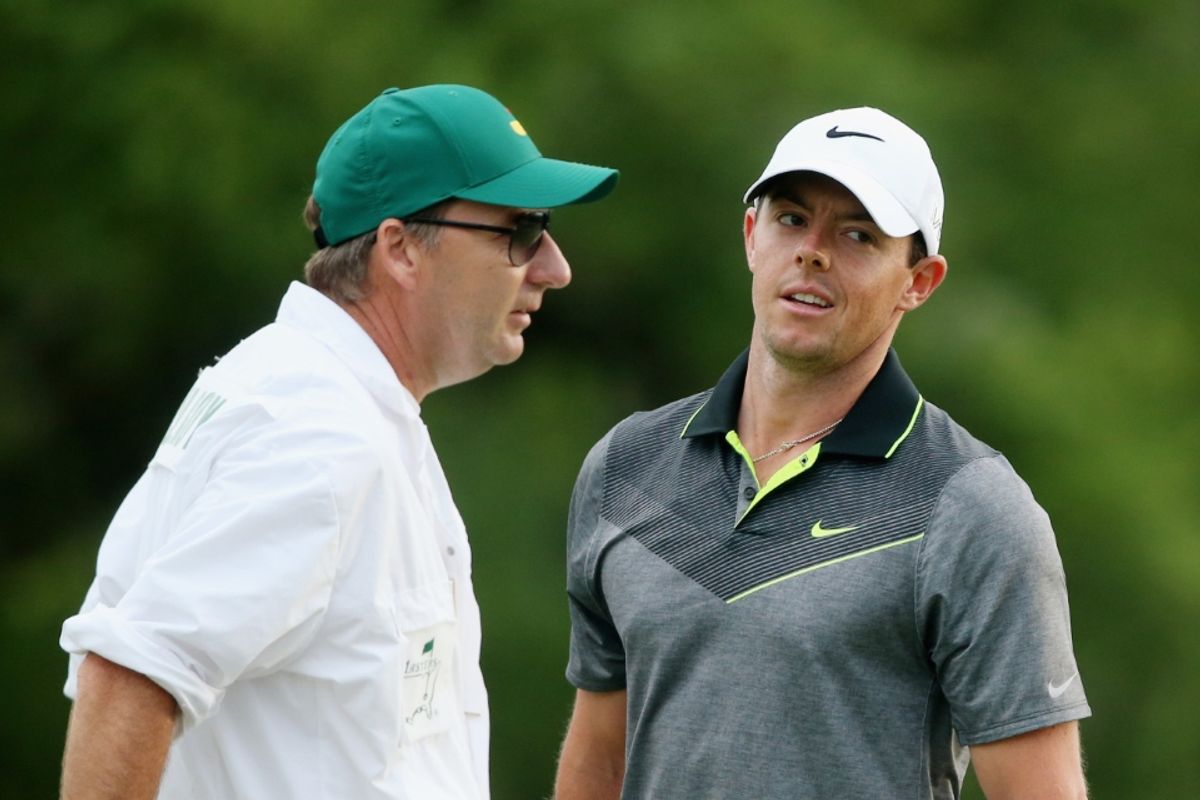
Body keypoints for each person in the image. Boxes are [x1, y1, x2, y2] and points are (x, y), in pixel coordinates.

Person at [59, 83, 617, 800]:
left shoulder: (324, 398)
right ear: (401, 250)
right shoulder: (317, 432)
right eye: (520, 231)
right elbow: (129, 675)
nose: (553, 268)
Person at [555, 107, 1090, 799]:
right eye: (790, 219)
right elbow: (601, 757)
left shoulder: (972, 508)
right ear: (752, 235)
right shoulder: (626, 466)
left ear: (918, 282)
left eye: (858, 234)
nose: (813, 251)